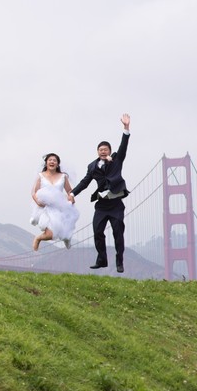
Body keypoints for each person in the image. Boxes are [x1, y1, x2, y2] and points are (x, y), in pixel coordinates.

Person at [68, 113, 131, 273]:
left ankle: (119, 262)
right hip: (101, 205)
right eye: (100, 149)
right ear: (97, 152)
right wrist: (72, 194)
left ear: (109, 151)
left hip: (116, 204)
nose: (103, 151)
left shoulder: (117, 160)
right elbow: (84, 182)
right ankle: (101, 259)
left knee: (118, 233)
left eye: (105, 149)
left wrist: (126, 128)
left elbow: (123, 147)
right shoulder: (92, 166)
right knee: (97, 231)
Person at [30, 152, 79, 251]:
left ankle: (66, 237)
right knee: (50, 234)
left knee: (63, 230)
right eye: (50, 160)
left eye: (54, 160)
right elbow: (34, 192)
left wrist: (71, 197)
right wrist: (38, 202)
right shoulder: (41, 176)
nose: (52, 162)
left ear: (57, 164)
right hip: (45, 208)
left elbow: (69, 190)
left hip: (60, 207)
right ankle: (38, 238)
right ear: (46, 163)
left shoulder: (63, 176)